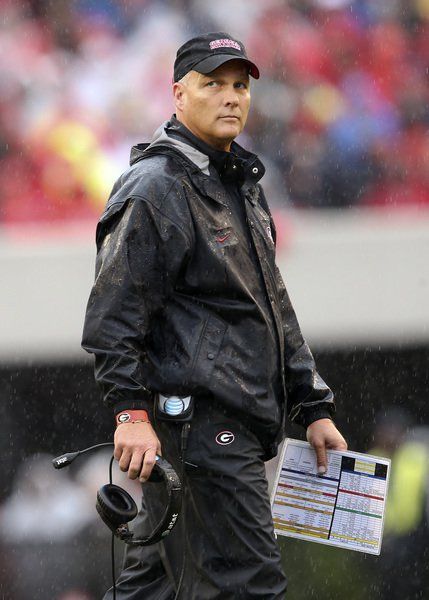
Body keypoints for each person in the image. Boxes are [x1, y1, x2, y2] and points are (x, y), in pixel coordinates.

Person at [82, 32, 347, 600]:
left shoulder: (240, 184)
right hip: (202, 429)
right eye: (213, 84)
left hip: (227, 428)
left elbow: (270, 304)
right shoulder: (155, 187)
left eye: (240, 86)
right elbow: (112, 315)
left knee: (154, 586)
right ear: (179, 94)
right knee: (250, 585)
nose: (231, 97)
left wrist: (312, 404)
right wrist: (130, 412)